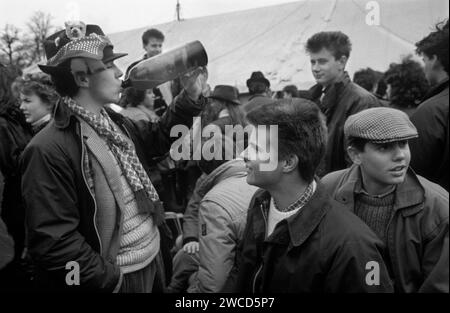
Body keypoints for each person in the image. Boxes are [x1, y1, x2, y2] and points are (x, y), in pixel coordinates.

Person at [20, 22, 206, 292]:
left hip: (153, 258)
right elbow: (55, 241)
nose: (120, 72)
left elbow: (159, 137)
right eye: (109, 65)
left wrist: (190, 97)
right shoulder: (46, 150)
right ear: (82, 78)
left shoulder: (114, 122)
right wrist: (109, 280)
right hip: (118, 278)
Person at [225, 98, 393, 293]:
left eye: (256, 149)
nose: (244, 154)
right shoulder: (261, 203)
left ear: (288, 162)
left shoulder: (353, 246)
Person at [322, 107, 449, 293]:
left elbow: (439, 285)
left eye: (404, 143)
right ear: (355, 155)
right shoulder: (329, 188)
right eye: (384, 147)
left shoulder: (437, 208)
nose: (400, 156)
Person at [168, 85, 256, 293]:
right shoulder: (246, 127)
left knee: (183, 254)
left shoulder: (212, 128)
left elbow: (213, 281)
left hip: (225, 247)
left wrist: (191, 239)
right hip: (241, 250)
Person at [305, 31, 381, 176]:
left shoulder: (362, 101)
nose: (315, 68)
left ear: (342, 62)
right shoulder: (313, 98)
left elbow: (359, 164)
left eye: (322, 61)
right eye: (312, 62)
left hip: (341, 192)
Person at [0, 63, 33, 291]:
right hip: (16, 201)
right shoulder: (4, 122)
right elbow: (14, 163)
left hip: (25, 197)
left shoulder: (13, 116)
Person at [409, 19, 449, 191]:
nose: (424, 67)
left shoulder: (431, 111)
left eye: (424, 60)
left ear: (434, 59)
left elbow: (412, 177)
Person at [126, 28, 172, 116]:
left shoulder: (167, 66)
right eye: (154, 46)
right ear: (144, 46)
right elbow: (128, 98)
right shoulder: (135, 69)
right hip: (147, 120)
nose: (158, 49)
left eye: (160, 46)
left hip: (168, 117)